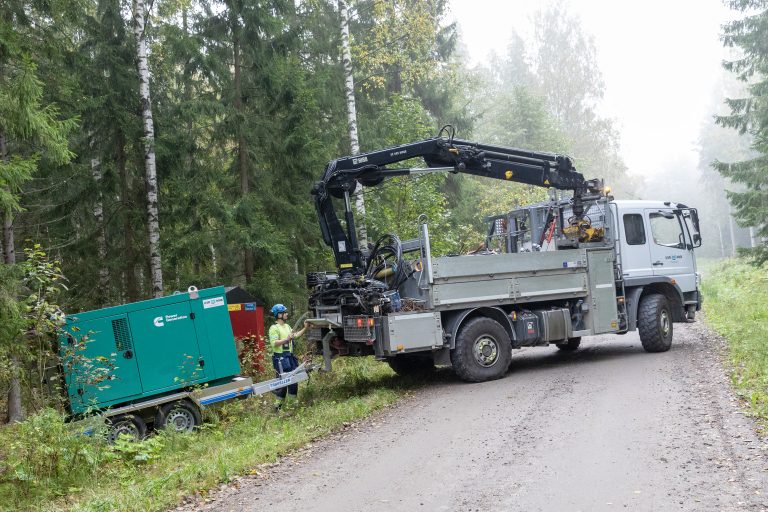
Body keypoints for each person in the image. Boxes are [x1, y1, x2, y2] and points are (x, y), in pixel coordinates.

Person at [268, 304, 308, 411]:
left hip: (290, 358)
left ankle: (293, 406)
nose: (287, 314)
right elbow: (274, 343)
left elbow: (295, 336)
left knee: (293, 381)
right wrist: (286, 339)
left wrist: (305, 328)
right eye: (284, 312)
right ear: (279, 314)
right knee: (282, 384)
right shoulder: (274, 328)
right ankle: (277, 408)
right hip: (280, 360)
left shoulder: (287, 326)